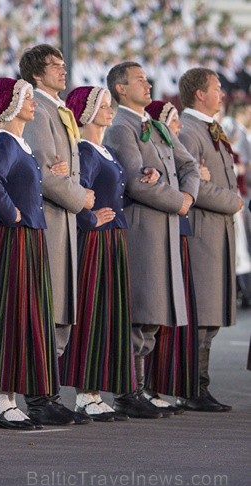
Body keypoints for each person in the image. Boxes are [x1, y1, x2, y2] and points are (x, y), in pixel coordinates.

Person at [103, 61, 200, 418]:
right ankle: (129, 391)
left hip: (167, 227)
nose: (148, 84)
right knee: (141, 309)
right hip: (143, 229)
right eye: (139, 80)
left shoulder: (156, 125)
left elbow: (188, 165)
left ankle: (139, 388)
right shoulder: (120, 128)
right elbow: (133, 182)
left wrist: (186, 197)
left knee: (155, 312)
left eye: (147, 78)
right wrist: (180, 202)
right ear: (120, 89)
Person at [0, 77, 59, 430]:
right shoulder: (5, 142)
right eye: (27, 98)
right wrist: (12, 213)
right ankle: (2, 401)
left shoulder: (19, 142)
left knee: (27, 315)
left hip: (29, 237)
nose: (34, 103)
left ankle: (11, 398)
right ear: (9, 104)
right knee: (11, 315)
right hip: (14, 238)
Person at [19, 44, 94, 426]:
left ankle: (49, 391)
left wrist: (72, 186)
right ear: (36, 73)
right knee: (48, 308)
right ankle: (39, 395)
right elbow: (46, 174)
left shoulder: (57, 109)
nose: (63, 71)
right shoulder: (38, 110)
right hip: (50, 218)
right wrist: (81, 196)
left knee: (63, 308)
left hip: (65, 218)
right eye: (55, 66)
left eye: (64, 65)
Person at [60, 86, 139, 421]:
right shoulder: (86, 152)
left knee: (109, 312)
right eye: (104, 106)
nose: (111, 110)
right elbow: (77, 195)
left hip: (113, 239)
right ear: (87, 112)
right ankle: (85, 391)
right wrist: (89, 219)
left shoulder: (106, 151)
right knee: (92, 311)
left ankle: (96, 388)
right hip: (95, 242)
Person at [175, 68, 242, 412]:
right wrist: (233, 200)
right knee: (201, 315)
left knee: (211, 316)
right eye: (216, 88)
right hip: (202, 231)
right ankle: (192, 387)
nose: (222, 94)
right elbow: (194, 187)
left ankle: (198, 385)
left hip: (218, 233)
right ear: (200, 94)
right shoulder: (189, 131)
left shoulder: (207, 129)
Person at [142, 99, 202, 414]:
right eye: (172, 120)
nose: (177, 128)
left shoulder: (168, 141)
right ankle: (147, 386)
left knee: (172, 311)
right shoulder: (146, 138)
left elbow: (191, 167)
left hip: (177, 224)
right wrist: (178, 195)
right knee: (156, 311)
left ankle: (162, 385)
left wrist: (187, 195)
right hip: (160, 226)